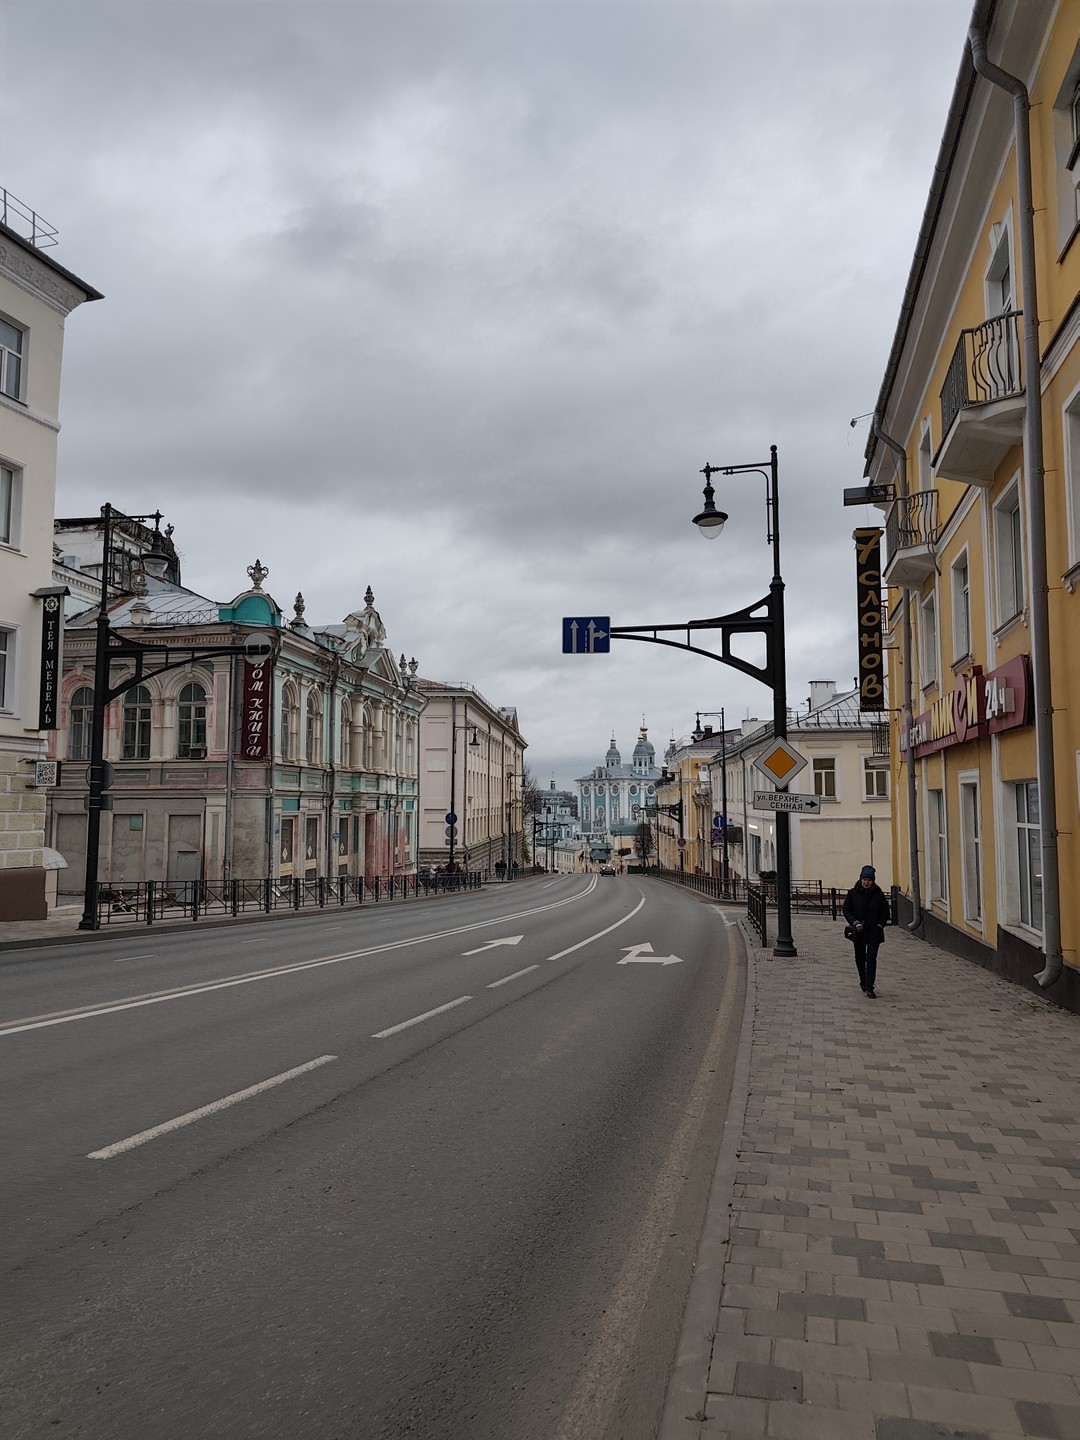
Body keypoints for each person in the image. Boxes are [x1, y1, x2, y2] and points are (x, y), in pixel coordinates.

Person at [842, 864, 891, 998]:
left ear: (873, 881)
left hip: (874, 931)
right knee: (860, 958)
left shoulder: (878, 894)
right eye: (864, 879)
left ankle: (870, 986)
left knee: (871, 959)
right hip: (859, 931)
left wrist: (880, 924)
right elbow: (846, 909)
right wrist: (854, 922)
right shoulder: (853, 893)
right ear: (860, 879)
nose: (866, 882)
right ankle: (863, 980)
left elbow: (885, 911)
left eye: (869, 880)